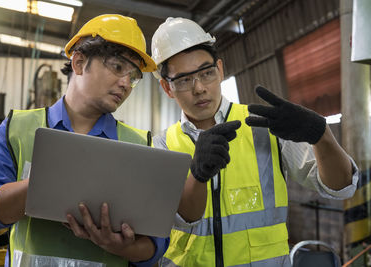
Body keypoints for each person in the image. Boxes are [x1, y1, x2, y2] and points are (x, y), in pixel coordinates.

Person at [150, 17, 359, 267]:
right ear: (167, 87)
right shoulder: (162, 145)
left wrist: (321, 135)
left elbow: (341, 187)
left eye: (206, 73)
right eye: (184, 80)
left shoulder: (265, 126)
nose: (199, 88)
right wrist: (197, 175)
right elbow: (175, 220)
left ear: (220, 69)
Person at [0, 14, 169, 267]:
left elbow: (156, 243)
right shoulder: (17, 129)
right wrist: (40, 185)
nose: (125, 84)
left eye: (133, 77)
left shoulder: (138, 144)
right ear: (78, 62)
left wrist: (126, 247)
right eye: (118, 68)